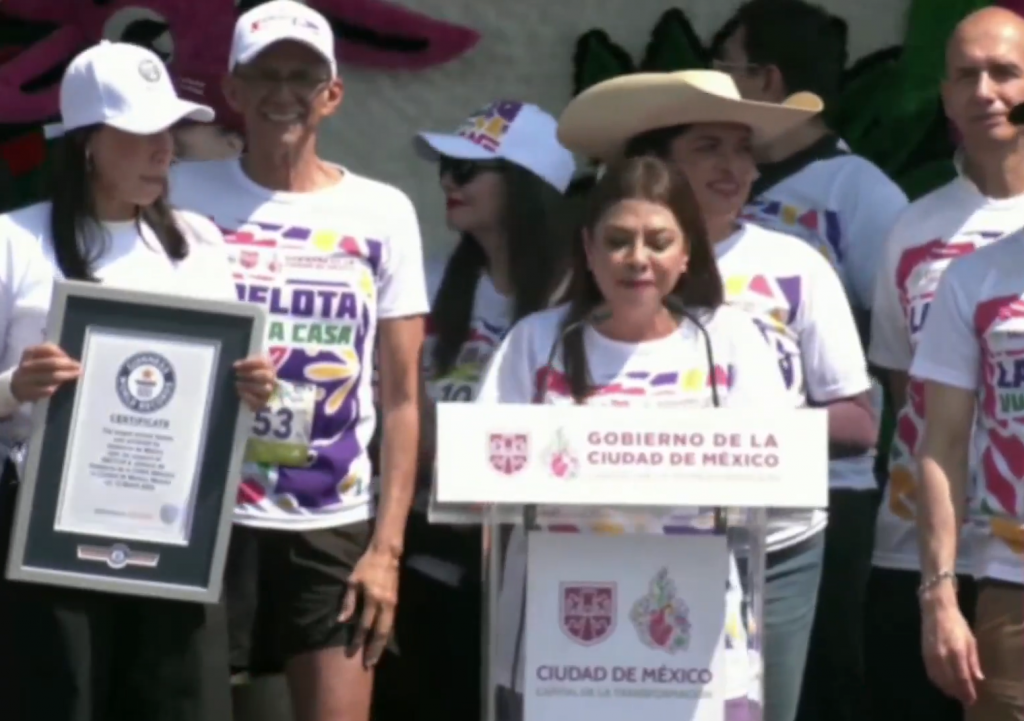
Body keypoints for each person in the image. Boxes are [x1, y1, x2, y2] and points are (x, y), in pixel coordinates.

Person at [557, 69, 876, 721]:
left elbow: (857, 421)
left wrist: (737, 445)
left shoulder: (798, 266)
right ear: (658, 164)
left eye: (743, 149)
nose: (735, 166)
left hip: (775, 547)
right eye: (709, 147)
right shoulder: (601, 275)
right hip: (621, 544)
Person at [0, 40, 276, 721]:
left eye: (169, 131)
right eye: (141, 133)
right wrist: (16, 385)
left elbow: (219, 394)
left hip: (177, 533)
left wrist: (250, 391)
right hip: (46, 541)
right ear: (87, 143)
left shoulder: (201, 244)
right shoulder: (14, 241)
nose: (164, 150)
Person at [168, 2, 428, 720]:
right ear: (234, 89)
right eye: (265, 75)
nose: (283, 93)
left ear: (332, 94)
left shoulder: (384, 212)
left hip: (332, 517)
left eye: (303, 78)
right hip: (204, 509)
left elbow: (403, 397)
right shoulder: (183, 195)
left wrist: (386, 549)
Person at [480, 154, 795, 721]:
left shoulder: (730, 341)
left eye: (659, 241)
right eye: (618, 240)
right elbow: (479, 472)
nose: (637, 258)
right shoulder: (536, 341)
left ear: (687, 251)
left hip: (698, 644)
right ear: (588, 248)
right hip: (556, 641)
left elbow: (779, 474)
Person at [711, 5, 909, 718]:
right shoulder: (691, 197)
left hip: (829, 490)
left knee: (819, 682)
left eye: (724, 68)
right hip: (712, 483)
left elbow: (901, 353)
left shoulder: (859, 192)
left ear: (766, 78)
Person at [375, 100, 574, 721]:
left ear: (527, 186)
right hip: (429, 540)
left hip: (536, 552)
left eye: (466, 170)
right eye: (445, 167)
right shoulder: (429, 279)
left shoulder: (578, 294)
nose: (447, 182)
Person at [865, 7, 1024, 720]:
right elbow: (914, 396)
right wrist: (939, 579)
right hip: (927, 554)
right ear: (945, 96)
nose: (985, 91)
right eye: (966, 75)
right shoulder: (913, 227)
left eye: (1005, 72)